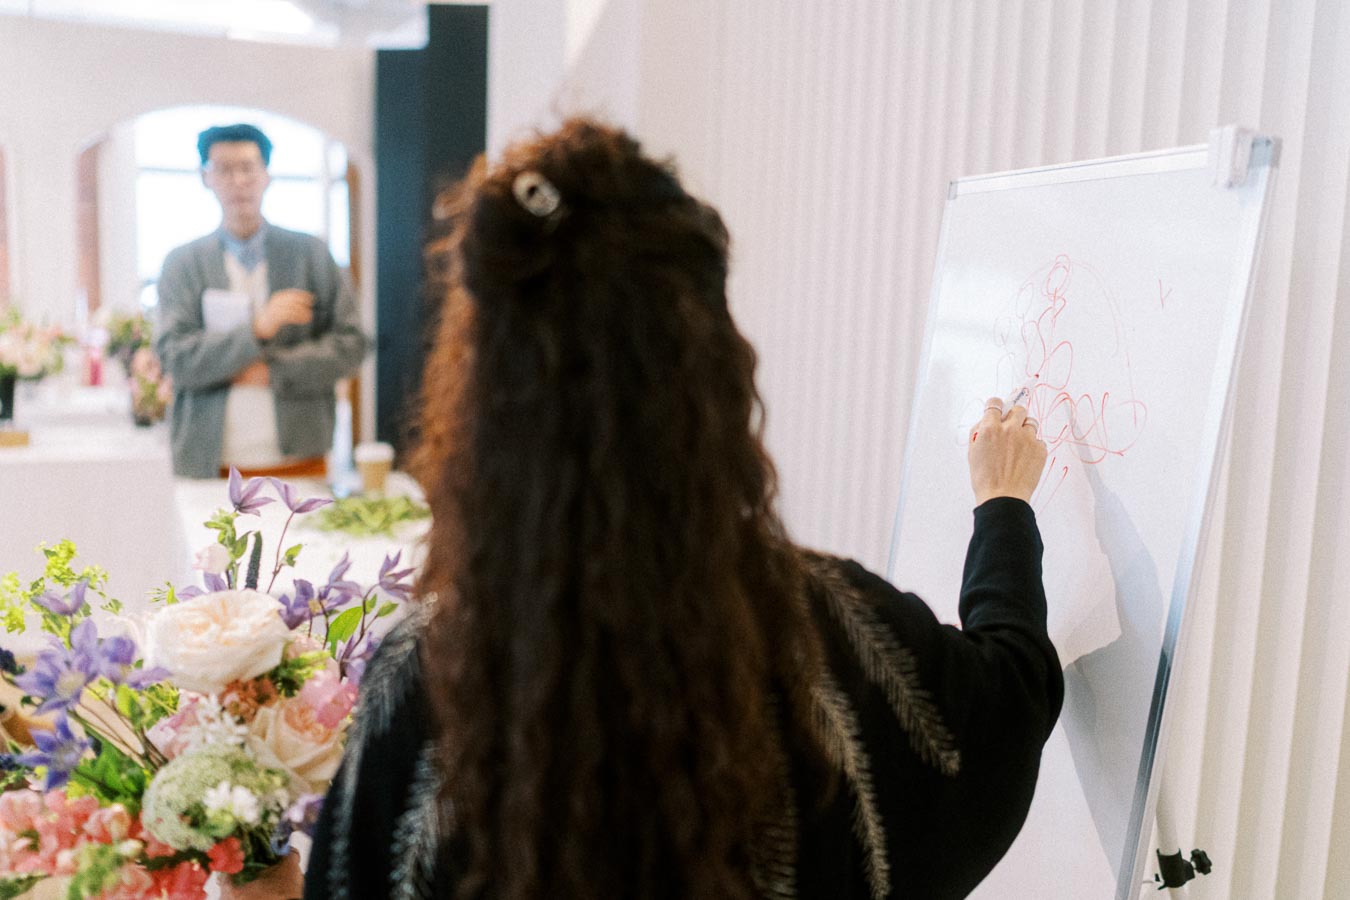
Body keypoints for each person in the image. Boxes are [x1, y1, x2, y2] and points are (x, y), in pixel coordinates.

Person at [306, 119, 1062, 900]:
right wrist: (1002, 506)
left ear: (481, 399)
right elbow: (1003, 711)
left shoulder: (427, 682)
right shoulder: (834, 634)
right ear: (712, 370)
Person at [155, 123, 366, 479]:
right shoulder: (182, 264)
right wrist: (256, 329)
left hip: (301, 458)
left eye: (248, 167)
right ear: (206, 178)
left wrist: (272, 372)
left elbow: (352, 345)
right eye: (223, 169)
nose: (238, 181)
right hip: (209, 463)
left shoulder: (310, 254)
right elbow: (175, 357)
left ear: (267, 175)